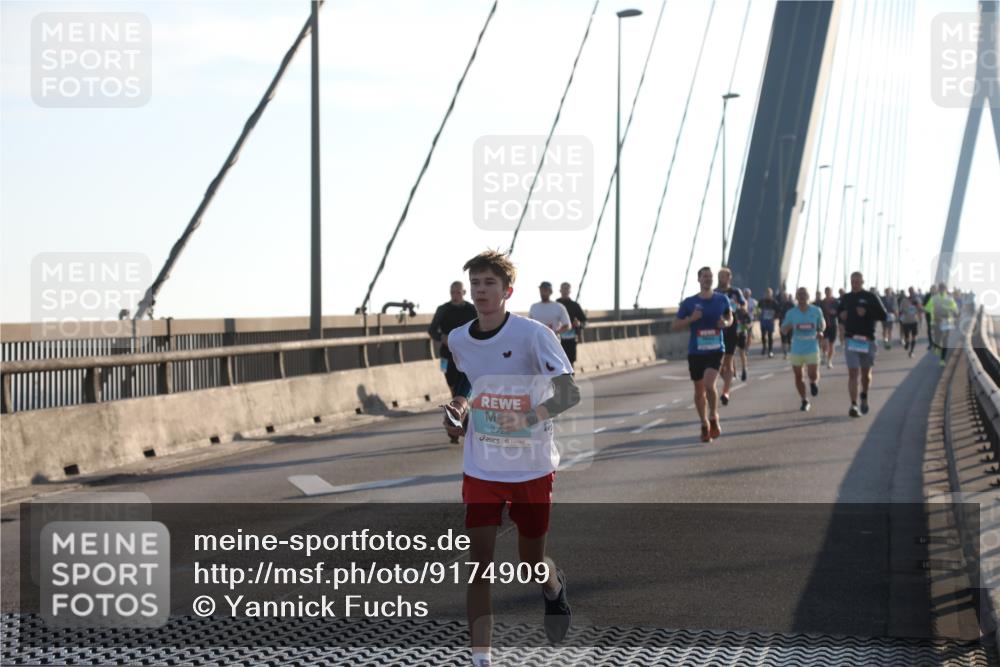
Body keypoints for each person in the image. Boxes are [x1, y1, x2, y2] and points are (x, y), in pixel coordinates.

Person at [443, 250, 579, 667]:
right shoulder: (459, 338)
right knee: (479, 564)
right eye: (476, 284)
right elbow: (468, 381)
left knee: (530, 564)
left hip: (532, 464)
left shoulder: (534, 335)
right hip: (482, 465)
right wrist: (458, 410)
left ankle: (553, 588)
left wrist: (527, 416)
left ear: (507, 292)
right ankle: (481, 659)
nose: (482, 291)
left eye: (489, 284)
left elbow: (569, 393)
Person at [673, 266, 734, 442]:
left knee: (709, 384)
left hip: (716, 350)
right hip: (696, 352)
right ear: (698, 280)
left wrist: (726, 323)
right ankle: (704, 423)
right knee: (699, 391)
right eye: (704, 276)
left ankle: (714, 415)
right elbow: (675, 325)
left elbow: (730, 318)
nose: (708, 279)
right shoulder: (689, 303)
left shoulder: (722, 299)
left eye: (710, 276)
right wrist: (691, 319)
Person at [429, 281, 479, 442]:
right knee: (453, 392)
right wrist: (441, 337)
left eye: (458, 292)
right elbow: (432, 330)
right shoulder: (443, 309)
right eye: (453, 293)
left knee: (463, 393)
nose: (455, 296)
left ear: (464, 292)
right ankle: (458, 422)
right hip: (447, 356)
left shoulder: (472, 309)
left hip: (467, 356)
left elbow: (482, 327)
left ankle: (456, 429)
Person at [838, 271, 887, 417]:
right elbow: (839, 312)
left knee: (866, 374)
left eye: (857, 281)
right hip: (851, 339)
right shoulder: (846, 298)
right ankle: (853, 405)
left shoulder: (871, 297)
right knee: (853, 372)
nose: (855, 284)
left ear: (862, 282)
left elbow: (883, 315)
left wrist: (867, 311)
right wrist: (841, 315)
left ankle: (864, 395)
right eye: (852, 281)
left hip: (867, 340)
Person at [782, 287, 826, 411]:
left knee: (812, 373)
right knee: (798, 376)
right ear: (796, 297)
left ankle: (813, 383)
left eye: (804, 294)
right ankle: (804, 399)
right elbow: (783, 328)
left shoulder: (816, 310)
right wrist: (787, 328)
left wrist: (821, 331)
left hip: (812, 346)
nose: (801, 296)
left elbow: (822, 324)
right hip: (797, 348)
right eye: (799, 294)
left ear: (808, 296)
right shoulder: (791, 313)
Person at [715, 267, 746, 405]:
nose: (721, 278)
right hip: (717, 329)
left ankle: (725, 392)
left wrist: (738, 308)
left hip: (732, 329)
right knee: (718, 364)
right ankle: (728, 379)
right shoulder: (714, 292)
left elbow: (744, 305)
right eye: (719, 276)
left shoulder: (735, 292)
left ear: (729, 277)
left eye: (724, 276)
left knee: (728, 360)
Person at [927, 282, 959, 366]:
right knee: (943, 340)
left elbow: (927, 309)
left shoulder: (934, 298)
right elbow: (956, 311)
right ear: (945, 289)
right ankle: (942, 358)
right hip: (945, 322)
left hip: (940, 322)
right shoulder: (949, 299)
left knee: (940, 339)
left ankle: (939, 353)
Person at [556, 282, 587, 365]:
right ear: (560, 290)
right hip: (556, 340)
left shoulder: (575, 306)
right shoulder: (555, 305)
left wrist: (579, 324)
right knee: (558, 364)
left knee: (570, 364)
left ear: (570, 291)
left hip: (571, 340)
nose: (565, 291)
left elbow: (585, 322)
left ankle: (570, 378)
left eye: (567, 289)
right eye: (563, 289)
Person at [898, 286, 922, 357]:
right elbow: (920, 309)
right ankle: (911, 350)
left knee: (910, 336)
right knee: (912, 336)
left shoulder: (905, 300)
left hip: (910, 321)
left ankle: (910, 349)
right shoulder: (911, 300)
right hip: (911, 321)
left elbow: (901, 311)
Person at [819, 287, 840, 369]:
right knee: (824, 342)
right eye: (826, 291)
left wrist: (835, 312)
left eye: (829, 291)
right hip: (824, 325)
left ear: (831, 292)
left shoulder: (836, 302)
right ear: (825, 292)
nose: (828, 293)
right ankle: (824, 354)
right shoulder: (822, 302)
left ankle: (829, 361)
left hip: (833, 324)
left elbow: (839, 311)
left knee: (831, 344)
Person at [756, 288, 779, 357]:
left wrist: (774, 317)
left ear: (771, 294)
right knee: (763, 335)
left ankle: (770, 350)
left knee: (770, 336)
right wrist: (758, 315)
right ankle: (764, 347)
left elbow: (778, 311)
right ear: (764, 294)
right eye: (766, 293)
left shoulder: (774, 302)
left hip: (770, 322)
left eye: (769, 293)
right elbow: (757, 309)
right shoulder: (761, 301)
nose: (767, 295)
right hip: (763, 321)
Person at [739, 288, 755, 381]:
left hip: (743, 332)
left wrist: (746, 326)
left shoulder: (753, 302)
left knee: (742, 352)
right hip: (733, 334)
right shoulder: (732, 312)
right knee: (730, 354)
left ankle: (744, 369)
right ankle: (732, 372)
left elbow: (756, 311)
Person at [778, 290, 796, 358]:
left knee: (789, 338)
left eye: (786, 296)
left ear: (788, 297)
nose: (784, 297)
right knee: (783, 338)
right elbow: (777, 312)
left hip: (790, 324)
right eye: (783, 296)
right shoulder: (779, 304)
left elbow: (795, 312)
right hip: (782, 323)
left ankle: (791, 350)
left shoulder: (791, 304)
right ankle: (785, 353)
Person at [923, 284, 937, 350]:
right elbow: (924, 304)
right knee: (929, 330)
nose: (933, 290)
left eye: (934, 289)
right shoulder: (927, 296)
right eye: (932, 289)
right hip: (928, 315)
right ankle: (931, 343)